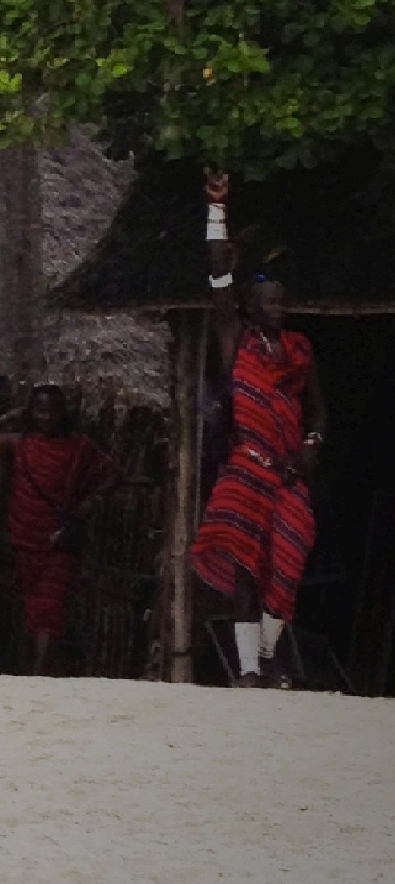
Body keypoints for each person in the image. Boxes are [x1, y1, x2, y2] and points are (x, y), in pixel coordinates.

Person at [191, 171, 325, 686]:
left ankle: (267, 655)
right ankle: (249, 671)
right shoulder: (236, 342)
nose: (278, 310)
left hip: (289, 472)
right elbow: (218, 275)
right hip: (247, 466)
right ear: (249, 308)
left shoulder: (300, 351)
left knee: (291, 553)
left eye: (282, 304)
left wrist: (312, 446)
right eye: (269, 304)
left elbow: (318, 412)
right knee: (244, 566)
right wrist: (216, 209)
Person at [0, 383, 123, 675]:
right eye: (39, 411)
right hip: (24, 536)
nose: (46, 418)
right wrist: (8, 418)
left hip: (59, 538)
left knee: (50, 608)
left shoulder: (80, 449)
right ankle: (29, 668)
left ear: (63, 414)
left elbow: (113, 474)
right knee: (27, 606)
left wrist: (89, 504)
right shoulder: (20, 444)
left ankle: (40, 673)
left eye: (52, 412)